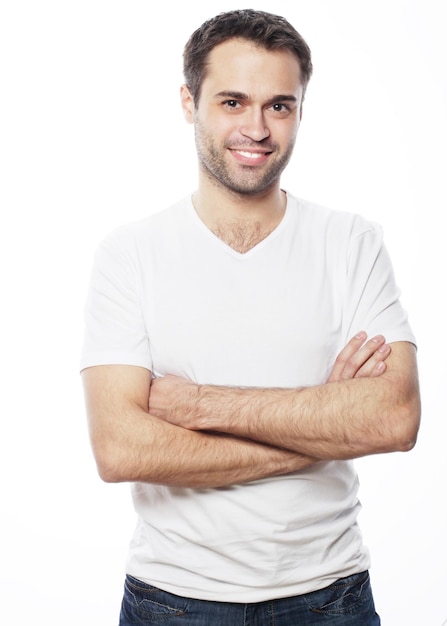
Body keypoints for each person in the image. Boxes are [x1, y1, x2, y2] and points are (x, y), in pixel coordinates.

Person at [80, 9, 420, 625]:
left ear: (299, 111)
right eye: (233, 102)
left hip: (330, 597)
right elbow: (120, 448)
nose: (257, 128)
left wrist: (198, 406)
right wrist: (322, 427)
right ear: (190, 102)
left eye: (280, 106)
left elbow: (394, 417)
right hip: (171, 601)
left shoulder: (351, 242)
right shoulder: (130, 253)